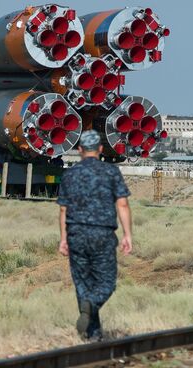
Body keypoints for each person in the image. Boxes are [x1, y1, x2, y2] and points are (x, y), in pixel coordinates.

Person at [56, 130, 132, 341]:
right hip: (103, 233)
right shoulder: (111, 172)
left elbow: (63, 210)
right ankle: (93, 317)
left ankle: (92, 334)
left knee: (83, 283)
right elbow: (122, 203)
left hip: (76, 234)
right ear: (100, 149)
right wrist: (128, 235)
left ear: (79, 150)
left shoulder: (69, 174)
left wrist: (63, 239)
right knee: (106, 282)